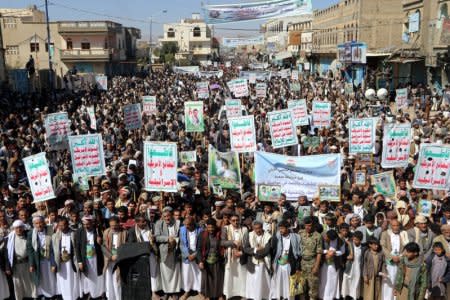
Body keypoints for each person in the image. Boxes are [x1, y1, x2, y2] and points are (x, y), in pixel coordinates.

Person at [127, 213, 160, 295]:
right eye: (143, 222)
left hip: (151, 254)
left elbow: (157, 239)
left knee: (153, 273)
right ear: (137, 223)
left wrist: (153, 240)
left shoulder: (151, 228)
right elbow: (131, 245)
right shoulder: (132, 231)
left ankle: (154, 292)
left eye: (145, 221)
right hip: (140, 256)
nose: (145, 223)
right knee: (142, 274)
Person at [74, 215, 105, 299]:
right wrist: (79, 262)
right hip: (85, 259)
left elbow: (104, 244)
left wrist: (101, 241)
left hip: (96, 259)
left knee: (98, 276)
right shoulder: (79, 232)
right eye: (84, 224)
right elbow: (77, 247)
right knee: (88, 277)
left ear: (92, 223)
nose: (86, 226)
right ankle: (90, 293)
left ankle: (99, 293)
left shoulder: (98, 230)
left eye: (88, 224)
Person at [27, 215, 57, 299]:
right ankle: (44, 295)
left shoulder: (50, 230)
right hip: (39, 260)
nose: (39, 225)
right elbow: (30, 250)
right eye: (36, 223)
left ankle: (53, 294)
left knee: (51, 278)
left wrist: (53, 263)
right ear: (34, 224)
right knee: (42, 279)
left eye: (40, 223)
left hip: (49, 259)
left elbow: (53, 248)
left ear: (44, 223)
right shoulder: (31, 234)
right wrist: (31, 264)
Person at [270, 220, 301, 300]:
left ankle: (288, 296)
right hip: (279, 264)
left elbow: (298, 253)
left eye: (282, 228)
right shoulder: (277, 237)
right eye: (279, 228)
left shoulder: (295, 237)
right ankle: (280, 296)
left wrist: (297, 266)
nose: (280, 230)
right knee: (279, 281)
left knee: (289, 282)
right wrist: (273, 263)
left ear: (287, 228)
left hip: (289, 264)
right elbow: (273, 251)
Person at [5, 220, 36, 300]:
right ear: (14, 229)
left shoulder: (28, 236)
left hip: (27, 264)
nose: (18, 230)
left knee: (30, 284)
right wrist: (8, 267)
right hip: (16, 266)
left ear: (23, 228)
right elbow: (7, 254)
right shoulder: (9, 238)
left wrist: (32, 264)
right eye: (16, 228)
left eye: (20, 227)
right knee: (18, 285)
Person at [155, 207, 182, 297]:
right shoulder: (158, 224)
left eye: (168, 216)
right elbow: (157, 237)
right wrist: (167, 238)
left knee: (175, 272)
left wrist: (175, 240)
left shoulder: (177, 223)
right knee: (165, 273)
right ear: (162, 216)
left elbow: (181, 235)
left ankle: (175, 292)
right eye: (165, 216)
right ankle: (166, 292)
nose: (167, 218)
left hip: (176, 251)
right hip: (164, 251)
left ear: (172, 216)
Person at [52, 216, 80, 300]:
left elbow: (77, 248)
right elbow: (53, 251)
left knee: (72, 280)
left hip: (71, 262)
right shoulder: (55, 236)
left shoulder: (73, 234)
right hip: (61, 263)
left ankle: (73, 297)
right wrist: (54, 264)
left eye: (64, 225)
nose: (62, 227)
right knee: (63, 281)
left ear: (67, 224)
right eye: (60, 225)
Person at [242, 220, 272, 300]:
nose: (258, 230)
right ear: (253, 228)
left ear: (262, 228)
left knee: (262, 281)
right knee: (253, 281)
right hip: (252, 262)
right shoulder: (250, 235)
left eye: (259, 228)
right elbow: (245, 249)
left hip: (263, 263)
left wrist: (258, 254)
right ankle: (253, 297)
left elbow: (267, 250)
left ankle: (263, 296)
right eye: (256, 228)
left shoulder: (268, 236)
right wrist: (255, 250)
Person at [380, 219, 409, 300]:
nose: (396, 227)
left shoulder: (403, 234)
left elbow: (407, 247)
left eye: (397, 225)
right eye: (394, 225)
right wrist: (392, 257)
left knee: (398, 281)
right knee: (388, 282)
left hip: (400, 262)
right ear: (390, 226)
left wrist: (400, 257)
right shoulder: (385, 234)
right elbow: (383, 247)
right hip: (389, 262)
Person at [221, 213, 248, 298]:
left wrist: (240, 251)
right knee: (230, 275)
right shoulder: (226, 228)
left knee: (241, 274)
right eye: (233, 220)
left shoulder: (244, 229)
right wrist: (233, 242)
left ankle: (241, 293)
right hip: (230, 257)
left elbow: (247, 244)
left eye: (237, 220)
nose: (236, 222)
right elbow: (222, 242)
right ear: (229, 221)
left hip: (240, 255)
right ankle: (230, 293)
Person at [196, 218, 224, 300]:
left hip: (217, 259)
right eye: (209, 227)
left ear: (215, 227)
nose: (211, 229)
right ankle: (208, 295)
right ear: (206, 227)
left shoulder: (219, 234)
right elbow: (198, 249)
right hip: (206, 260)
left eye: (212, 227)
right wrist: (200, 261)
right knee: (207, 279)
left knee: (217, 278)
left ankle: (217, 295)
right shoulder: (202, 234)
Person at [102, 216, 127, 300]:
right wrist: (110, 256)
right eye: (111, 226)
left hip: (120, 261)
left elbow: (127, 247)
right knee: (109, 281)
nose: (113, 227)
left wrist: (119, 255)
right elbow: (103, 247)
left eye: (115, 225)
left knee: (118, 282)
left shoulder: (124, 233)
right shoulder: (106, 232)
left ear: (119, 224)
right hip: (109, 261)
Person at [298, 216, 322, 300]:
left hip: (312, 263)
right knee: (302, 287)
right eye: (306, 225)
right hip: (302, 263)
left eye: (310, 225)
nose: (308, 227)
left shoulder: (317, 236)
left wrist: (316, 266)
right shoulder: (300, 233)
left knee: (313, 288)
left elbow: (319, 252)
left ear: (313, 225)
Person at [179, 215, 203, 300]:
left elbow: (201, 245)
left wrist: (195, 255)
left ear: (193, 224)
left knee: (198, 274)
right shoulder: (182, 230)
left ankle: (199, 291)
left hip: (197, 255)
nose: (186, 226)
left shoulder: (200, 230)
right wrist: (187, 255)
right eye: (185, 224)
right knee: (186, 274)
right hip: (187, 256)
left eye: (188, 225)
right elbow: (181, 244)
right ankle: (187, 291)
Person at [319, 229, 346, 300]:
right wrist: (327, 252)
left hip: (334, 264)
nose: (326, 239)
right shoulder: (322, 237)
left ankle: (331, 296)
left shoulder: (340, 240)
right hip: (325, 263)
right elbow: (319, 249)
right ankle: (323, 296)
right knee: (324, 280)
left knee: (333, 280)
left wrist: (334, 253)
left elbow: (342, 251)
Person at [341, 230, 365, 299]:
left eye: (357, 240)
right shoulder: (349, 246)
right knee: (346, 281)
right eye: (354, 239)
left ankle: (354, 296)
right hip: (349, 268)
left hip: (357, 268)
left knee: (356, 282)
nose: (355, 241)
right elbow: (343, 255)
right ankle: (345, 296)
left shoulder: (363, 248)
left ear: (360, 240)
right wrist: (347, 257)